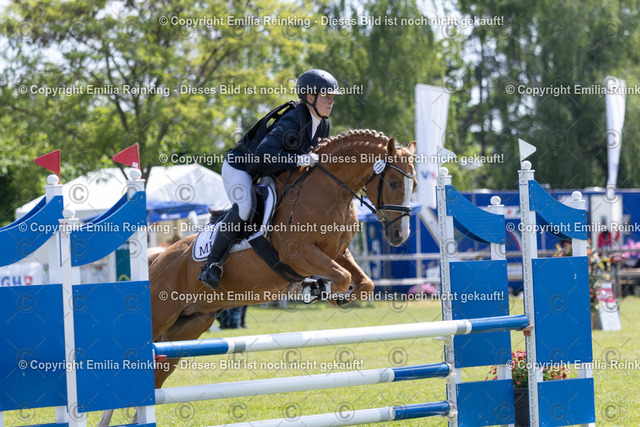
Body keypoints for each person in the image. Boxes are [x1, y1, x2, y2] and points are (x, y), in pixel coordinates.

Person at [198, 69, 341, 289]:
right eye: (326, 96)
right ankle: (211, 264)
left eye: (332, 97)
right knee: (245, 206)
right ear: (310, 97)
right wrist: (299, 159)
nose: (331, 101)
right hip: (241, 167)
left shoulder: (323, 124)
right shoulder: (293, 120)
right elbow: (263, 154)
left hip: (269, 172)